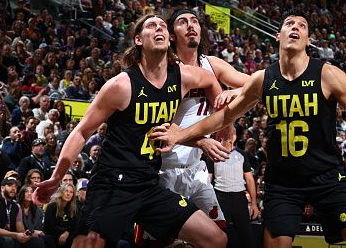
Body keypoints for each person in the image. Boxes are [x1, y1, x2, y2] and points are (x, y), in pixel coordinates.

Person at [152, 8, 346, 248]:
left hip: (327, 177)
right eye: (289, 24)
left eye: (302, 25)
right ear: (279, 35)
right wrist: (181, 134)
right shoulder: (264, 79)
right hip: (283, 184)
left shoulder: (327, 74)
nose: (295, 27)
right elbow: (222, 117)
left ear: (308, 39)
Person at [33, 14, 227, 248]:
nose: (159, 28)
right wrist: (56, 177)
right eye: (151, 26)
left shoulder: (182, 76)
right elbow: (82, 132)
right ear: (138, 40)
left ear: (169, 38)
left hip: (149, 183)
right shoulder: (121, 85)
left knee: (216, 239)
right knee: (89, 243)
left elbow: (210, 80)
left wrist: (225, 124)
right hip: (113, 181)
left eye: (163, 26)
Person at [159, 9, 250, 230]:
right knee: (161, 239)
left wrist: (235, 93)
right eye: (183, 22)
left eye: (195, 21)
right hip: (163, 167)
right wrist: (202, 138)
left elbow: (256, 84)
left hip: (196, 168)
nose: (191, 25)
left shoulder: (212, 64)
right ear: (172, 35)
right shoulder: (165, 69)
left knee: (218, 235)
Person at [206, 126, 259, 248]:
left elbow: (250, 180)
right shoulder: (213, 154)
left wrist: (254, 204)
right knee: (221, 236)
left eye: (232, 133)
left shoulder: (242, 155)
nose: (230, 136)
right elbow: (208, 180)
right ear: (220, 136)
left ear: (235, 136)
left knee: (247, 236)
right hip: (220, 198)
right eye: (226, 133)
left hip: (239, 198)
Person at [0, 177, 43, 248]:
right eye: (10, 185)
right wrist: (16, 235)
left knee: (36, 241)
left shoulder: (16, 206)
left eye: (15, 186)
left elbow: (20, 230)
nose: (13, 188)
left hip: (12, 236)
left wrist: (27, 234)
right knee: (8, 241)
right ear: (2, 188)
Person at [43, 182, 79, 247]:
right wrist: (64, 233)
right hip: (51, 236)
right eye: (66, 191)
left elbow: (74, 225)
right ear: (61, 192)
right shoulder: (52, 206)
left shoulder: (73, 208)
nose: (68, 194)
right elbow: (50, 227)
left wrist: (67, 233)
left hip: (66, 236)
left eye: (71, 192)